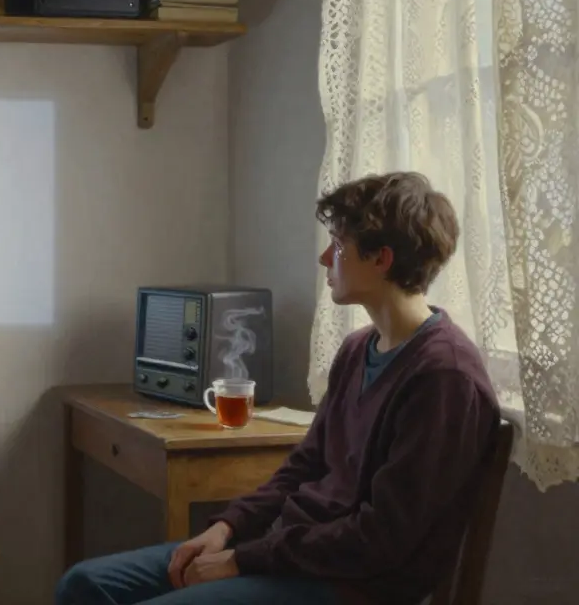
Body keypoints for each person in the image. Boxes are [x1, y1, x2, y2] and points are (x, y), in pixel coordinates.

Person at [55, 172, 501, 605]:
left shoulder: (444, 377)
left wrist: (242, 561)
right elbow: (303, 465)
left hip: (354, 582)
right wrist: (226, 528)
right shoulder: (356, 348)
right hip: (290, 550)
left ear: (381, 259)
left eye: (340, 246)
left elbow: (380, 539)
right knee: (85, 585)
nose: (326, 258)